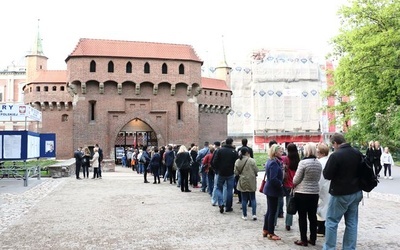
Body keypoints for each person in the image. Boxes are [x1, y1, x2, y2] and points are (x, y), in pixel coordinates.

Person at [323, 133, 363, 250]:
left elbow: (327, 175)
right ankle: (349, 248)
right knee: (351, 223)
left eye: (333, 145)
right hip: (356, 192)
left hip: (340, 193)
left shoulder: (336, 156)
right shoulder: (357, 153)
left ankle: (329, 248)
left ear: (335, 143)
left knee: (331, 222)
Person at [292, 142, 322, 246]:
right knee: (313, 217)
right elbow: (318, 178)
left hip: (302, 192)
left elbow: (296, 179)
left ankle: (303, 239)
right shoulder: (318, 163)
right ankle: (313, 238)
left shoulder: (303, 163)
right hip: (314, 193)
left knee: (302, 217)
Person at [262, 144, 284, 240]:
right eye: (280, 151)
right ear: (275, 152)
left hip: (270, 189)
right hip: (273, 190)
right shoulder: (274, 163)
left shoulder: (271, 161)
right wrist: (280, 184)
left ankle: (266, 229)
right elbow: (273, 178)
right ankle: (271, 232)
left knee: (270, 210)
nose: (282, 152)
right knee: (272, 211)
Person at [212, 137, 238, 213]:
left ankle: (221, 203)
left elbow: (214, 162)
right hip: (230, 173)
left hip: (221, 173)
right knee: (229, 190)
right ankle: (228, 206)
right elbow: (236, 163)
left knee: (218, 188)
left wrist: (217, 169)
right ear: (231, 143)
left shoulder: (220, 151)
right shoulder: (233, 151)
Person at [234, 147, 258, 221]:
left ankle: (244, 215)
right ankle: (254, 214)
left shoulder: (238, 161)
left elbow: (236, 172)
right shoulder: (252, 161)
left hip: (243, 180)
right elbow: (256, 170)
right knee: (253, 198)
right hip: (251, 180)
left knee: (244, 199)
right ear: (247, 153)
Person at [281, 143, 300, 231]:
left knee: (279, 203)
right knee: (290, 204)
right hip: (293, 184)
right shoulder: (298, 160)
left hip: (285, 183)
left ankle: (274, 222)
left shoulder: (285, 159)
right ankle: (288, 224)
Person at [316, 142, 330, 237]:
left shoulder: (319, 162)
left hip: (322, 186)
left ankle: (321, 228)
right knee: (326, 206)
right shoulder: (329, 161)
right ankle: (323, 227)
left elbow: (319, 178)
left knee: (320, 208)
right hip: (329, 186)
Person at [235, 138, 254, 205]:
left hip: (241, 170)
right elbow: (252, 158)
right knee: (249, 186)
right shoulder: (250, 149)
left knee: (240, 186)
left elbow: (237, 158)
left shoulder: (239, 149)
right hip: (249, 169)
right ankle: (250, 200)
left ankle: (241, 199)